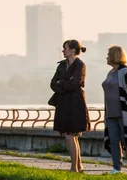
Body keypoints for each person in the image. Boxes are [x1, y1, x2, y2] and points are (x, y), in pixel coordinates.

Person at [50, 39, 90, 173]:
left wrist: (61, 84)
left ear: (72, 50)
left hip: (75, 103)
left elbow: (75, 84)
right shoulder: (62, 66)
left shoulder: (80, 65)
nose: (63, 51)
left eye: (65, 48)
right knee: (70, 135)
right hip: (63, 103)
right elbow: (53, 83)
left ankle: (75, 167)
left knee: (70, 135)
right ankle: (78, 167)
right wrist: (63, 84)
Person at [102, 45, 127, 175]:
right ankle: (117, 168)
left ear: (114, 55)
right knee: (113, 141)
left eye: (108, 55)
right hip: (110, 114)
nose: (106, 57)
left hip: (124, 113)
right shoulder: (111, 73)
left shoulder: (126, 72)